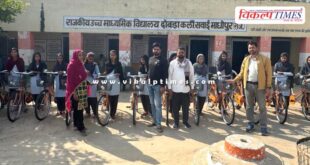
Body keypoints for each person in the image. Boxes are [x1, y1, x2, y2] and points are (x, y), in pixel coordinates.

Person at [227, 41, 272, 136]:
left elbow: (269, 74)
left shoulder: (264, 59)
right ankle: (250, 124)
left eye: (253, 47)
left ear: (257, 48)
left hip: (260, 86)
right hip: (248, 85)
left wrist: (268, 87)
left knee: (262, 107)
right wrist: (234, 80)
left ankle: (263, 127)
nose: (251, 49)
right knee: (249, 106)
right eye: (250, 48)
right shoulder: (246, 60)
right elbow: (242, 73)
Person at [168, 47, 194, 129]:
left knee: (185, 108)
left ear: (184, 53)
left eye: (182, 52)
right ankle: (176, 123)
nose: (181, 54)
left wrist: (192, 87)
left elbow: (192, 76)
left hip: (185, 89)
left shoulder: (188, 63)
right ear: (177, 53)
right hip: (175, 89)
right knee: (175, 108)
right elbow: (169, 76)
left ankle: (185, 122)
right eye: (179, 52)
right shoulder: (172, 63)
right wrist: (169, 88)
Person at [65, 49, 88, 136]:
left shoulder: (81, 64)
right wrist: (74, 92)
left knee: (79, 108)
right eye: (79, 55)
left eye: (82, 55)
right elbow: (70, 80)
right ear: (75, 56)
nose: (81, 57)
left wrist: (85, 72)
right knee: (78, 108)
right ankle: (80, 127)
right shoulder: (71, 65)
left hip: (82, 89)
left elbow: (83, 75)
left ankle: (76, 124)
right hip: (75, 90)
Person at [147, 42, 168, 133]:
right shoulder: (150, 59)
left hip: (158, 86)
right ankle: (154, 121)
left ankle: (159, 124)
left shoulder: (163, 60)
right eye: (154, 49)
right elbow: (149, 70)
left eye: (157, 49)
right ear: (152, 50)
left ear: (160, 50)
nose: (156, 50)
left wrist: (163, 86)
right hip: (150, 85)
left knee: (158, 105)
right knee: (152, 104)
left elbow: (165, 74)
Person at [104, 50, 124, 120]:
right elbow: (106, 73)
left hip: (116, 82)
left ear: (116, 56)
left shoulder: (118, 63)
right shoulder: (107, 63)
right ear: (109, 55)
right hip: (109, 81)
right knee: (109, 97)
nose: (112, 56)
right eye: (111, 55)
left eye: (114, 55)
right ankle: (109, 111)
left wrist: (121, 78)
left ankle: (113, 114)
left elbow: (121, 72)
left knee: (115, 98)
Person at [84, 52, 100, 117]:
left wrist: (91, 74)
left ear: (93, 58)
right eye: (89, 57)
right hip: (85, 83)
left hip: (93, 84)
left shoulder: (95, 65)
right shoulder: (83, 64)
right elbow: (80, 73)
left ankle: (95, 113)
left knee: (93, 99)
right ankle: (87, 112)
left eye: (91, 57)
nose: (90, 58)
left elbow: (99, 74)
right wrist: (85, 73)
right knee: (86, 99)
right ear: (87, 57)